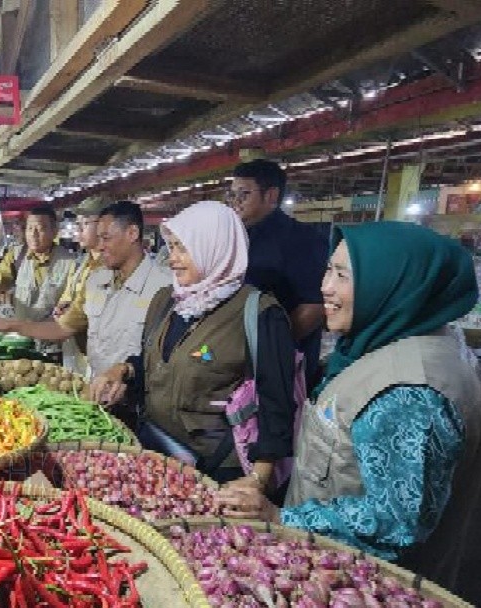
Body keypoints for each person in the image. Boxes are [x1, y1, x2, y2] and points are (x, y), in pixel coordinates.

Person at [216, 222, 481, 607]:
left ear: (393, 285)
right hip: (337, 572)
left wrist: (281, 519)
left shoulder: (409, 391)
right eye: (327, 270)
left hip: (378, 587)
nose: (325, 287)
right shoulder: (405, 341)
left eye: (342, 275)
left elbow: (394, 523)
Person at [89, 201, 298, 487]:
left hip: (216, 469)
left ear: (214, 247)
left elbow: (276, 405)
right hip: (156, 449)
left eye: (183, 249)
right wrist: (124, 371)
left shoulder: (259, 314)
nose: (172, 259)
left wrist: (258, 479)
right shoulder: (167, 300)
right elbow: (155, 361)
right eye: (172, 247)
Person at [0, 201, 172, 383]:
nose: (101, 245)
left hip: (139, 395)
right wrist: (10, 325)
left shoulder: (165, 286)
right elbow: (62, 328)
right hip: (96, 385)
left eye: (106, 238)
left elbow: (174, 356)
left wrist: (127, 370)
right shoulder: (96, 281)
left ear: (132, 233)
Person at [229, 160, 327, 389]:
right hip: (236, 357)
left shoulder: (302, 240)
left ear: (271, 195)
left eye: (243, 194)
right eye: (232, 195)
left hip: (280, 366)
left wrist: (271, 345)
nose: (235, 202)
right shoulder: (237, 238)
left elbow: (314, 307)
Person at [0, 206, 77, 355]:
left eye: (40, 229)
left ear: (54, 231)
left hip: (56, 346)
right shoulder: (17, 255)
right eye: (30, 229)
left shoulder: (71, 263)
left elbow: (70, 312)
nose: (34, 235)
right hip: (22, 343)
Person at [54, 197, 106, 374]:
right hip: (77, 350)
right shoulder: (81, 263)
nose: (78, 229)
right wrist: (62, 308)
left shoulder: (112, 267)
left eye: (85, 223)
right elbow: (67, 298)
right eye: (77, 223)